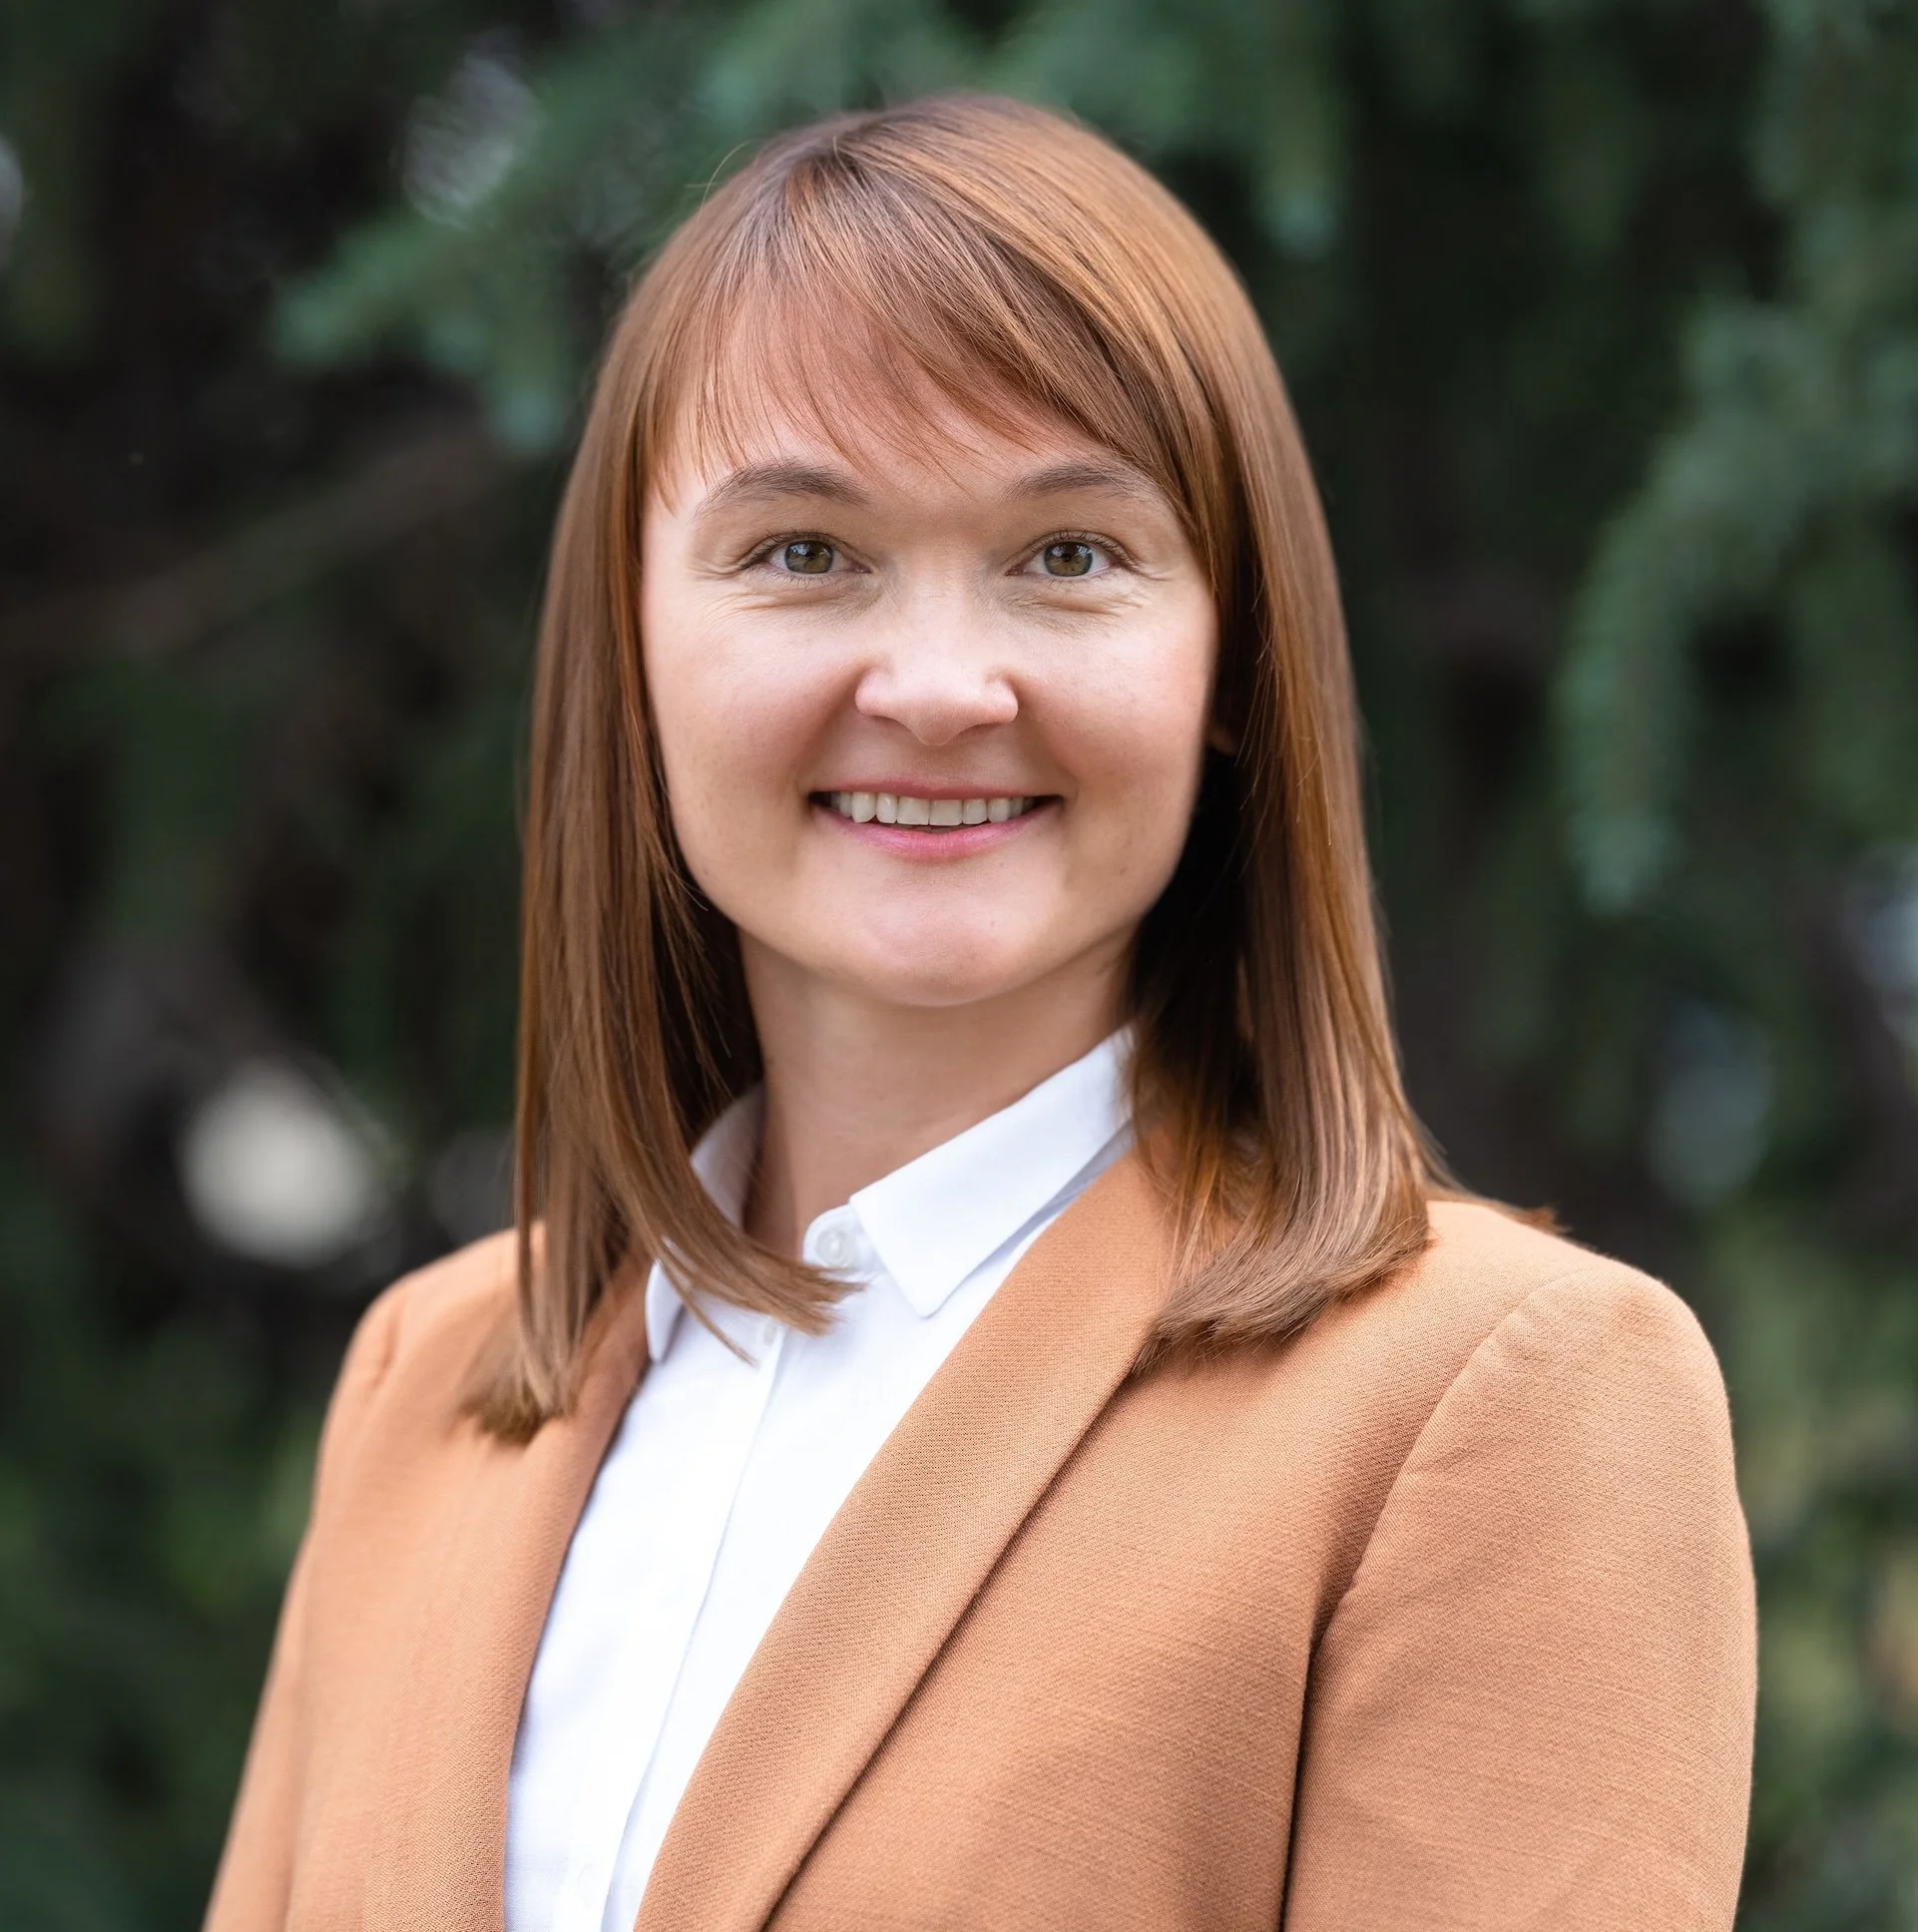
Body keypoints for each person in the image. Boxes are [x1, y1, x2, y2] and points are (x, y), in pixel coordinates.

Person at [204, 94, 1755, 1932]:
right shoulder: (432, 1383)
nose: (940, 687)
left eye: (1069, 557)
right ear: (632, 652)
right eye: (802, 551)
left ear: (1230, 663)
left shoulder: (1493, 1407)